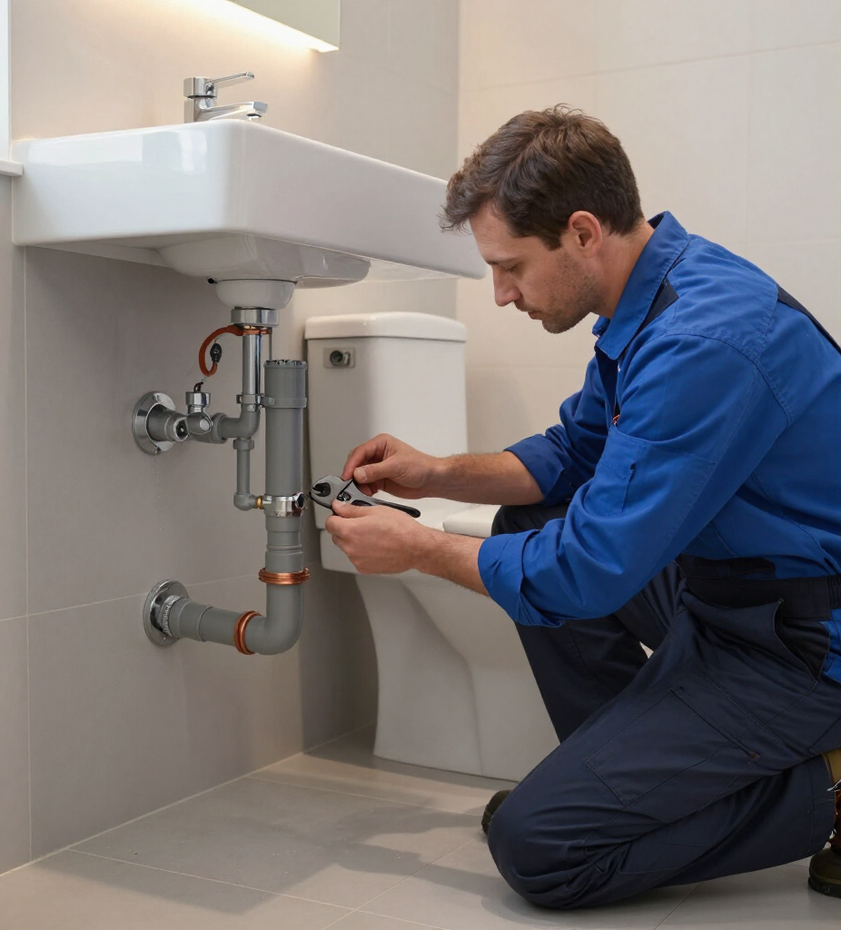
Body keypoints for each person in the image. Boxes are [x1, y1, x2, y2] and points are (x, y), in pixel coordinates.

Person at [323, 106, 841, 910]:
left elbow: (589, 569)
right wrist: (435, 475)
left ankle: (829, 786)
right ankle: (624, 792)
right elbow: (569, 455)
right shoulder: (655, 296)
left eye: (511, 267)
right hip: (729, 595)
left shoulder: (703, 341)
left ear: (583, 232)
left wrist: (418, 550)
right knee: (529, 522)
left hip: (804, 645)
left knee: (539, 850)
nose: (500, 295)